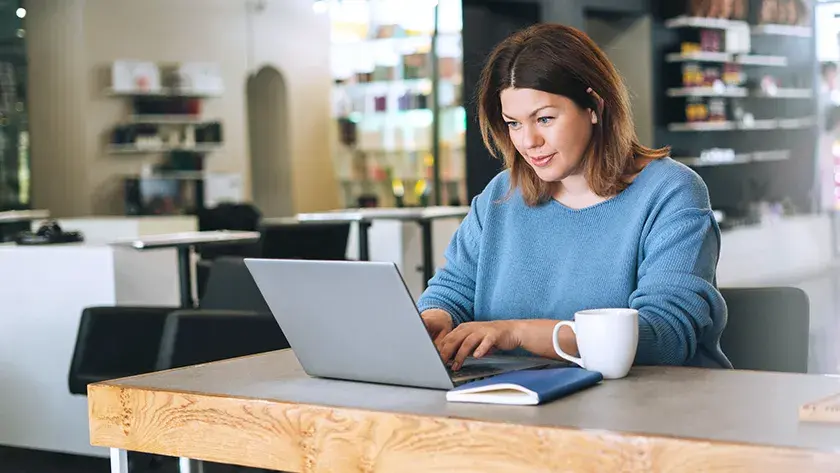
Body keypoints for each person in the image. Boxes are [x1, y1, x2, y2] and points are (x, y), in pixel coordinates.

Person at [416, 23, 732, 371]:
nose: (528, 141)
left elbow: (665, 338)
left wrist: (520, 333)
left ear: (594, 105)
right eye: (514, 123)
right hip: (521, 405)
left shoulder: (671, 193)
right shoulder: (501, 195)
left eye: (545, 118)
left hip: (647, 407)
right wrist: (435, 318)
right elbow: (454, 288)